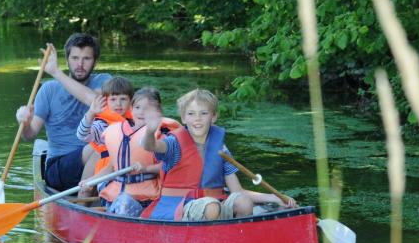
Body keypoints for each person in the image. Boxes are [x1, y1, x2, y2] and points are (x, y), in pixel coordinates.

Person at [141, 89, 297, 221]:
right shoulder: (174, 143)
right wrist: (150, 130)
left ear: (213, 117)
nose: (197, 119)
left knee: (244, 202)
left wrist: (274, 198)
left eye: (203, 113)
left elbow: (237, 191)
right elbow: (151, 145)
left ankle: (234, 242)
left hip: (214, 206)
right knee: (211, 206)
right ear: (183, 118)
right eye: (191, 114)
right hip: (177, 208)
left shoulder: (221, 148)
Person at [16, 33, 111, 191]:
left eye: (86, 59)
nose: (80, 64)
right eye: (74, 58)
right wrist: (25, 123)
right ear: (66, 60)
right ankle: (84, 198)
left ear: (95, 62)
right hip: (59, 167)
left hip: (100, 164)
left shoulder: (105, 82)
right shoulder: (49, 89)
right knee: (99, 148)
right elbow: (29, 135)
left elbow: (93, 100)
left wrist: (56, 73)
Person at [82, 87, 180, 215]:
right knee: (121, 202)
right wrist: (92, 180)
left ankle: (122, 217)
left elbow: (169, 167)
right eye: (137, 107)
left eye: (148, 109)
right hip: (116, 195)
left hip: (147, 198)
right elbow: (111, 168)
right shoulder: (119, 132)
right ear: (131, 110)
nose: (141, 112)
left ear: (157, 111)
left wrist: (146, 169)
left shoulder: (163, 136)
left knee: (124, 203)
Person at [76, 76, 134, 176]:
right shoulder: (101, 125)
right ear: (106, 101)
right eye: (113, 99)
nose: (118, 104)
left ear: (130, 101)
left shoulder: (136, 121)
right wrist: (90, 113)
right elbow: (82, 135)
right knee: (85, 191)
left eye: (123, 99)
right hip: (104, 173)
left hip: (130, 168)